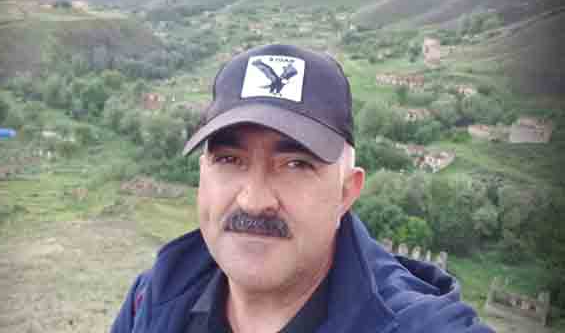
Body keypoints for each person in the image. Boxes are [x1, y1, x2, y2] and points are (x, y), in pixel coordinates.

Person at [111, 44, 493, 333]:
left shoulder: (416, 324)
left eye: (295, 164)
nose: (254, 201)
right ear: (202, 175)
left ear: (346, 192)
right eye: (229, 159)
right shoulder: (154, 299)